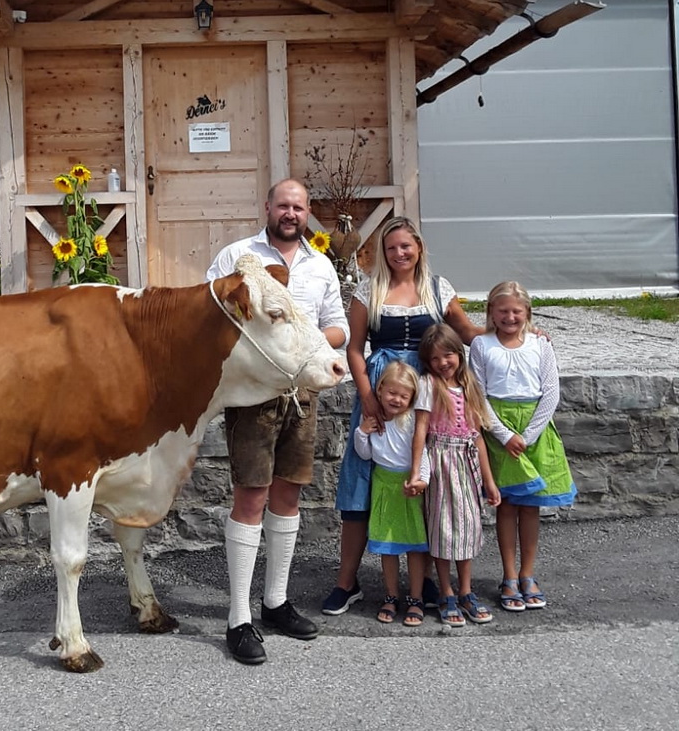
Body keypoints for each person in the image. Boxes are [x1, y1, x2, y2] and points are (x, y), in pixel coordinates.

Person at [206, 179, 349, 665]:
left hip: (302, 391)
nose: (290, 213)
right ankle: (237, 618)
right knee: (251, 495)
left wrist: (302, 333)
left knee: (288, 493)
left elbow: (340, 328)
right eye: (283, 205)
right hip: (254, 392)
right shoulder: (236, 256)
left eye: (298, 207)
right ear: (267, 207)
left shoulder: (320, 264)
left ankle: (275, 603)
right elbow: (212, 314)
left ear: (308, 213)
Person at [322, 216, 483, 616]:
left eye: (406, 246)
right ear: (384, 251)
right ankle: (347, 581)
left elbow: (465, 331)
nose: (399, 253)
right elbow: (355, 348)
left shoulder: (437, 287)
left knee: (429, 479)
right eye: (392, 247)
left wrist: (518, 337)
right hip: (382, 387)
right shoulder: (368, 289)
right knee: (363, 479)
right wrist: (367, 395)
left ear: (419, 248)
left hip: (429, 389)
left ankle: (423, 580)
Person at [468, 281, 576, 611]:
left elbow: (551, 392)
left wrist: (527, 436)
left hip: (534, 430)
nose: (510, 317)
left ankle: (528, 573)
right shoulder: (481, 345)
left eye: (517, 311)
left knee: (530, 507)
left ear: (527, 312)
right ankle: (509, 575)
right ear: (491, 312)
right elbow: (478, 395)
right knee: (507, 505)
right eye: (502, 311)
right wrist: (503, 434)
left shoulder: (540, 345)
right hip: (500, 430)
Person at [410, 323, 501, 626]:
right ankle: (446, 591)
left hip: (466, 463)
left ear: (458, 354)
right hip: (440, 462)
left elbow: (477, 437)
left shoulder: (469, 386)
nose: (442, 363)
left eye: (447, 355)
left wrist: (488, 481)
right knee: (443, 529)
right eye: (435, 359)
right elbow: (421, 427)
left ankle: (466, 590)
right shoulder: (428, 384)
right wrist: (416, 469)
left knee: (468, 527)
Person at [353, 361, 430, 627]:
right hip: (384, 486)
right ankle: (391, 594)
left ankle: (416, 597)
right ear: (380, 389)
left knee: (415, 545)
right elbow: (365, 454)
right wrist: (362, 433)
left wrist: (422, 480)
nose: (396, 400)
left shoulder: (411, 422)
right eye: (391, 393)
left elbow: (424, 454)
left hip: (409, 486)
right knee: (389, 546)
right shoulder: (373, 421)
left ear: (412, 398)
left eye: (403, 395)